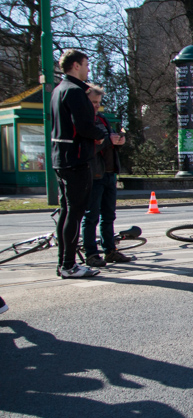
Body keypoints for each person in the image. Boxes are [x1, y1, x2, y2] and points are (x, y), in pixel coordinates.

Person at [50, 49, 106, 279]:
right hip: (75, 158)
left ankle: (64, 263)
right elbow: (83, 126)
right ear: (75, 66)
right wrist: (99, 133)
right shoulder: (74, 91)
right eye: (85, 64)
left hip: (61, 158)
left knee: (66, 212)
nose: (87, 68)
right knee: (75, 213)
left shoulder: (58, 90)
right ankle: (69, 265)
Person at [81, 85, 131, 267]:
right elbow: (87, 150)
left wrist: (118, 142)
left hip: (109, 174)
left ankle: (110, 250)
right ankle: (91, 254)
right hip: (94, 175)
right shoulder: (84, 122)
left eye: (98, 103)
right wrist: (108, 141)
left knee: (109, 215)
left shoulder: (102, 119)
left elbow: (108, 144)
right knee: (91, 216)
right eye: (93, 102)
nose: (96, 106)